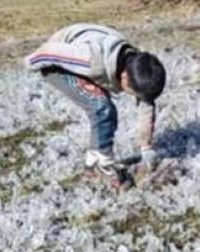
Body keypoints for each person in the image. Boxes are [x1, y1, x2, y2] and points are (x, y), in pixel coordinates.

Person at [24, 24, 166, 189]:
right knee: (101, 107)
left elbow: (146, 104)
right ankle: (103, 167)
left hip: (89, 55)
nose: (134, 97)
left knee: (104, 110)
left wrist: (146, 147)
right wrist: (30, 61)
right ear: (124, 77)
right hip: (57, 60)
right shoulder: (91, 60)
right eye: (133, 93)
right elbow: (48, 53)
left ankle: (91, 166)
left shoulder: (137, 64)